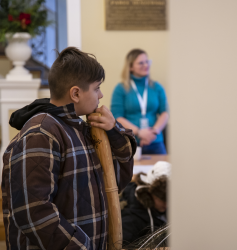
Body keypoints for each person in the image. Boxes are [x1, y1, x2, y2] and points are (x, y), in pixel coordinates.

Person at [1, 47, 136, 249]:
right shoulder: (41, 132)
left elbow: (117, 180)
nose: (101, 95)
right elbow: (34, 212)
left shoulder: (82, 129)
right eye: (97, 87)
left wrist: (113, 130)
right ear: (75, 93)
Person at [111, 49, 169, 154]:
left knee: (163, 169)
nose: (145, 65)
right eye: (141, 63)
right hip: (130, 142)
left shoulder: (157, 87)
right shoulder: (120, 88)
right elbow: (117, 116)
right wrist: (139, 132)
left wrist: (153, 132)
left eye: (147, 61)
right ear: (131, 67)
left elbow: (165, 112)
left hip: (155, 141)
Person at [120, 161, 170, 245]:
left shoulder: (161, 209)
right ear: (148, 193)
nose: (167, 205)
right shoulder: (130, 222)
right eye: (162, 199)